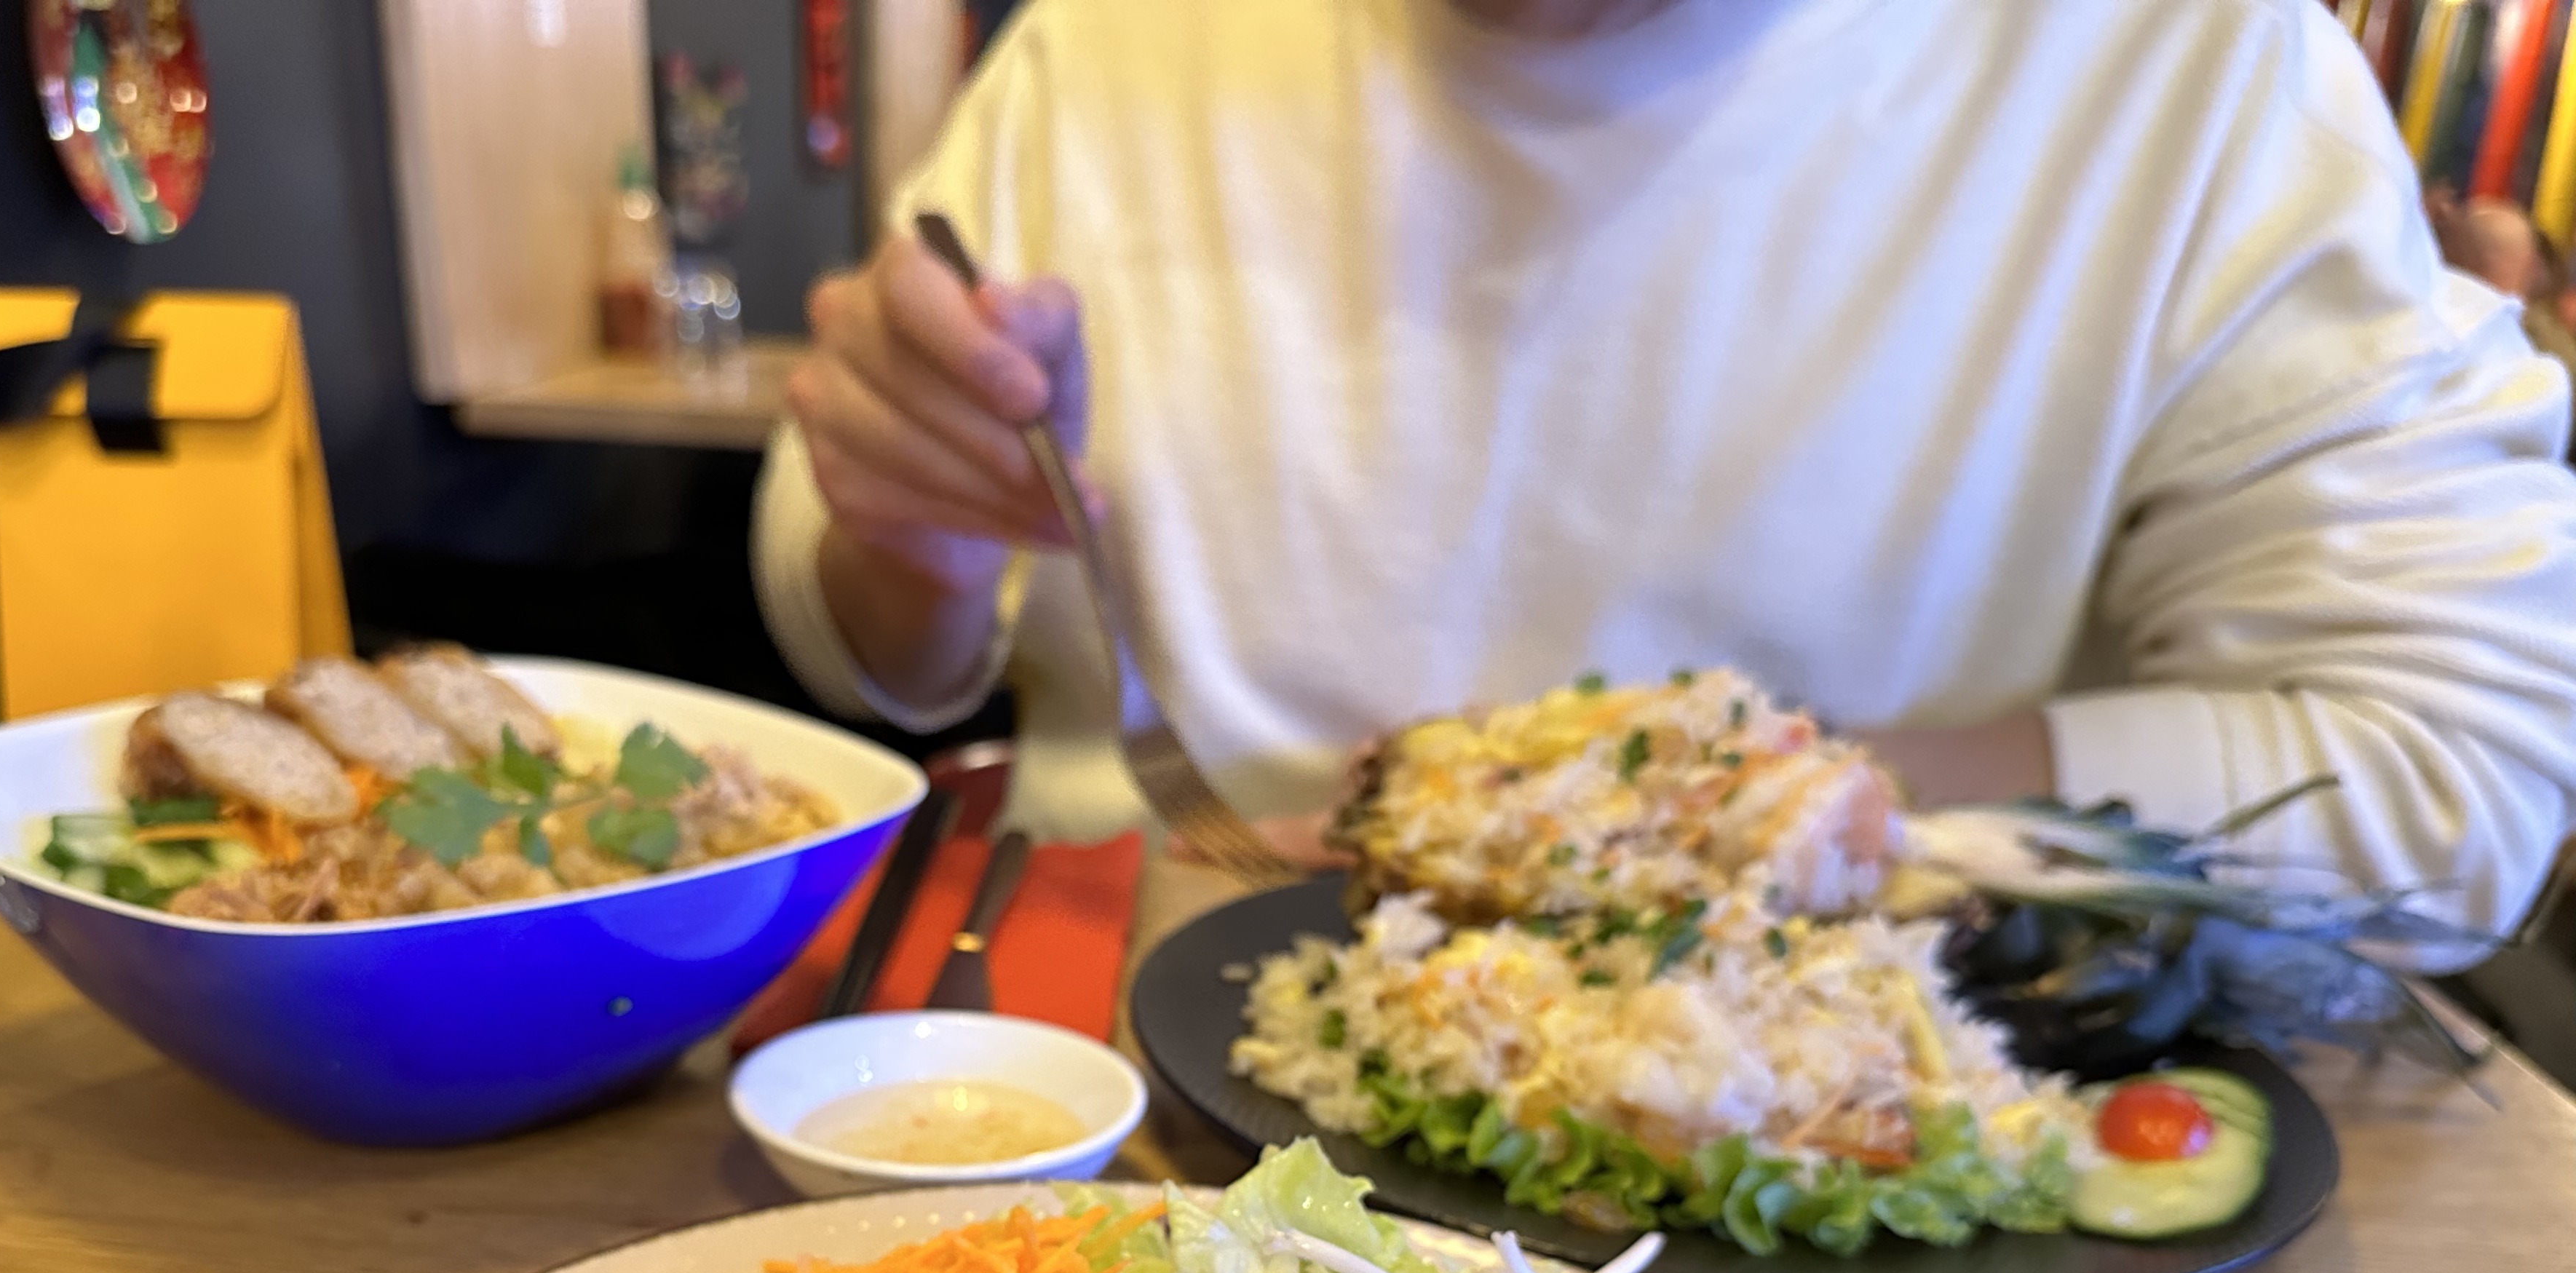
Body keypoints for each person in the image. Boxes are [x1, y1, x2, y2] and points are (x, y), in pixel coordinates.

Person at [751, 0, 2576, 938]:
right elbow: (875, 652)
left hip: (1843, 1149)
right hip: (1085, 1039)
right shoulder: (1107, 45)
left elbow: (2453, 766)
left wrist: (1641, 819)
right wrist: (909, 532)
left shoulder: (2191, 74)